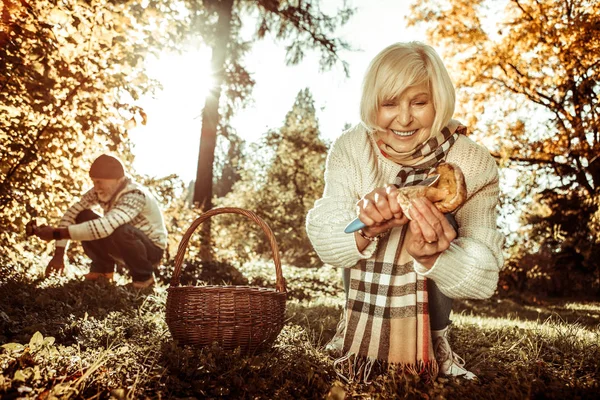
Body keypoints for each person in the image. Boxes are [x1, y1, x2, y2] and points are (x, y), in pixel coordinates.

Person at [306, 42, 503, 382]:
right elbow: (325, 234)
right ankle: (352, 331)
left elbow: (485, 276)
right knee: (358, 218)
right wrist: (363, 230)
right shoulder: (353, 147)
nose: (404, 117)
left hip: (435, 290)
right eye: (390, 103)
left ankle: (436, 343)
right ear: (373, 105)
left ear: (437, 103)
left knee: (444, 218)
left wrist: (437, 256)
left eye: (419, 102)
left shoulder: (473, 162)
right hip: (361, 291)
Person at [32, 154, 168, 289]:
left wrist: (56, 234)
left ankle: (144, 279)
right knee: (82, 215)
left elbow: (105, 227)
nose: (96, 187)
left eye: (99, 182)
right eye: (94, 182)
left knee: (120, 229)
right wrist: (59, 254)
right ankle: (102, 271)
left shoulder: (135, 194)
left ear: (118, 180)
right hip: (125, 244)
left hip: (152, 250)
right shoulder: (100, 191)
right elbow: (72, 214)